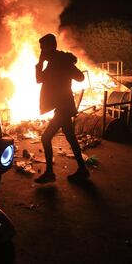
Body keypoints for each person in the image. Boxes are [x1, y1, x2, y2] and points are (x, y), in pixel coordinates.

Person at [33, 33, 90, 183]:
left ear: (49, 47)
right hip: (63, 106)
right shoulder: (57, 61)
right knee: (70, 138)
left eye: (42, 47)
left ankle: (50, 173)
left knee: (45, 138)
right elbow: (79, 77)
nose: (41, 50)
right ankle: (83, 170)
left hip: (62, 107)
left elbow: (39, 79)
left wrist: (41, 62)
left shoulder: (58, 62)